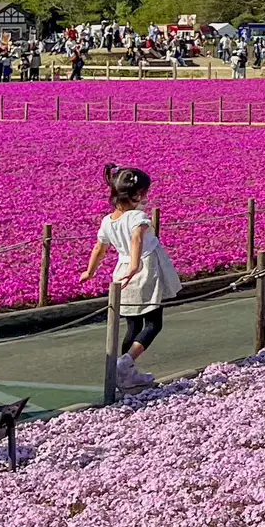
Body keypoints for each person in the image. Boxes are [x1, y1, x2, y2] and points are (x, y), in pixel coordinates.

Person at [81, 163, 182, 394]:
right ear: (136, 195)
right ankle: (125, 364)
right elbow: (137, 238)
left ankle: (124, 371)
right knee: (154, 322)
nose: (147, 198)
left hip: (122, 269)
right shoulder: (138, 216)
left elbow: (99, 248)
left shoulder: (108, 221)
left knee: (133, 323)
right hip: (144, 269)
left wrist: (90, 271)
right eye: (145, 194)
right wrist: (136, 264)